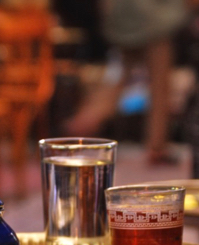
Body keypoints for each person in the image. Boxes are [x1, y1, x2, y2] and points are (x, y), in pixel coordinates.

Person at [64, 0, 189, 165]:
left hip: (125, 16)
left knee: (119, 78)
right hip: (151, 18)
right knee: (159, 84)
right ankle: (157, 147)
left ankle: (79, 127)